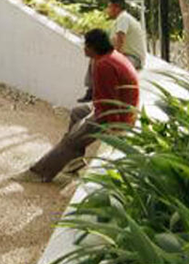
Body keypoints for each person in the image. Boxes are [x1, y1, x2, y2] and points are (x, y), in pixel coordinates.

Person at [18, 28, 139, 183]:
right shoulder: (111, 57)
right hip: (114, 109)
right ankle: (74, 163)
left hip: (116, 116)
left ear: (93, 47)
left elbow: (108, 104)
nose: (84, 48)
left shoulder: (104, 65)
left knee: (72, 139)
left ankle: (39, 172)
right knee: (77, 112)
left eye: (86, 45)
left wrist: (111, 128)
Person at [107, 0, 148, 70]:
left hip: (133, 58)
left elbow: (120, 39)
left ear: (117, 8)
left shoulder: (123, 18)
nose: (107, 10)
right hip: (128, 56)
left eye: (109, 7)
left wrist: (114, 57)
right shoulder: (121, 19)